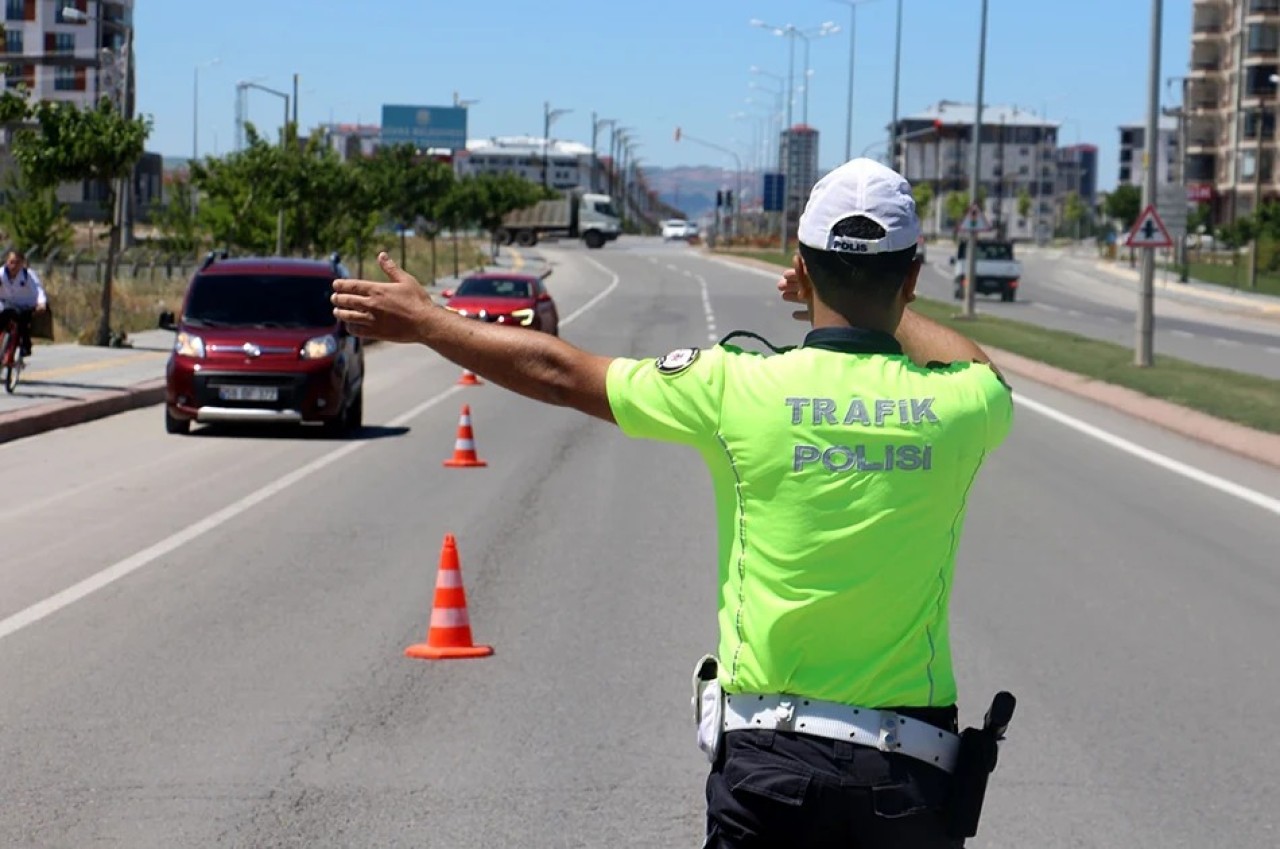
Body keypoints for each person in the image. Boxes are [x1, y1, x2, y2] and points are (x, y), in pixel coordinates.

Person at [332, 157, 1014, 848]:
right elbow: (981, 367)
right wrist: (890, 304)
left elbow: (562, 374)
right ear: (912, 277)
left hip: (770, 771)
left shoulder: (734, 387)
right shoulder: (961, 404)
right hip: (906, 781)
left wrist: (429, 321)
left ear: (801, 269)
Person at [0, 249, 49, 357]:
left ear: (22, 263)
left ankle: (26, 346)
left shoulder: (28, 275)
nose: (14, 265)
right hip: (6, 303)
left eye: (17, 262)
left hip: (25, 305)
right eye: (11, 262)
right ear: (6, 262)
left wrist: (41, 303)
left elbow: (38, 289)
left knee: (22, 322)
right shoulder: (1, 273)